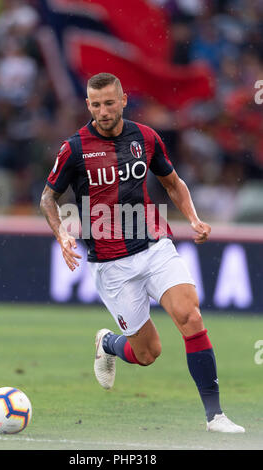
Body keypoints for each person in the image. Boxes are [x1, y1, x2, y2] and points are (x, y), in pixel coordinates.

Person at [40, 72, 245, 433]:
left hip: (154, 245)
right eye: (96, 104)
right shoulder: (73, 148)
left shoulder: (146, 138)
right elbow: (48, 197)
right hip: (111, 263)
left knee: (190, 316)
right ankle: (108, 342)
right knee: (148, 353)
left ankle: (215, 416)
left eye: (109, 103)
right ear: (88, 105)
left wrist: (194, 219)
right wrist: (61, 235)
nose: (103, 111)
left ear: (123, 100)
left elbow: (173, 183)